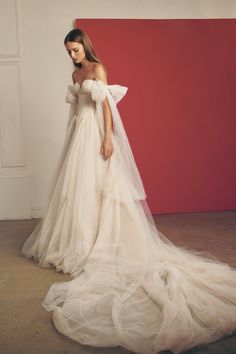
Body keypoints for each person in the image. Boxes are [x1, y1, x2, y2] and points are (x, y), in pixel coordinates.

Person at [22, 28, 236, 354]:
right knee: (75, 192)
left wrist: (108, 138)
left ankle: (100, 240)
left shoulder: (97, 69)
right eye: (68, 51)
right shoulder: (76, 73)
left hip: (95, 133)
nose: (72, 56)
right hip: (78, 135)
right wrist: (70, 138)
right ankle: (77, 240)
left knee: (100, 189)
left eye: (75, 50)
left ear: (85, 47)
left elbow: (106, 107)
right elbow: (75, 109)